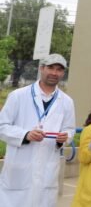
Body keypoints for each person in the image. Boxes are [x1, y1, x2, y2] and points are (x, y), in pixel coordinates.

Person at [0, 53, 75, 206]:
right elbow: (2, 126)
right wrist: (26, 134)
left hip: (47, 171)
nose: (54, 73)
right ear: (41, 68)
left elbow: (69, 128)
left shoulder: (67, 102)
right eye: (50, 68)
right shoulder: (18, 96)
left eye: (59, 69)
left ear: (63, 73)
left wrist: (64, 138)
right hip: (19, 170)